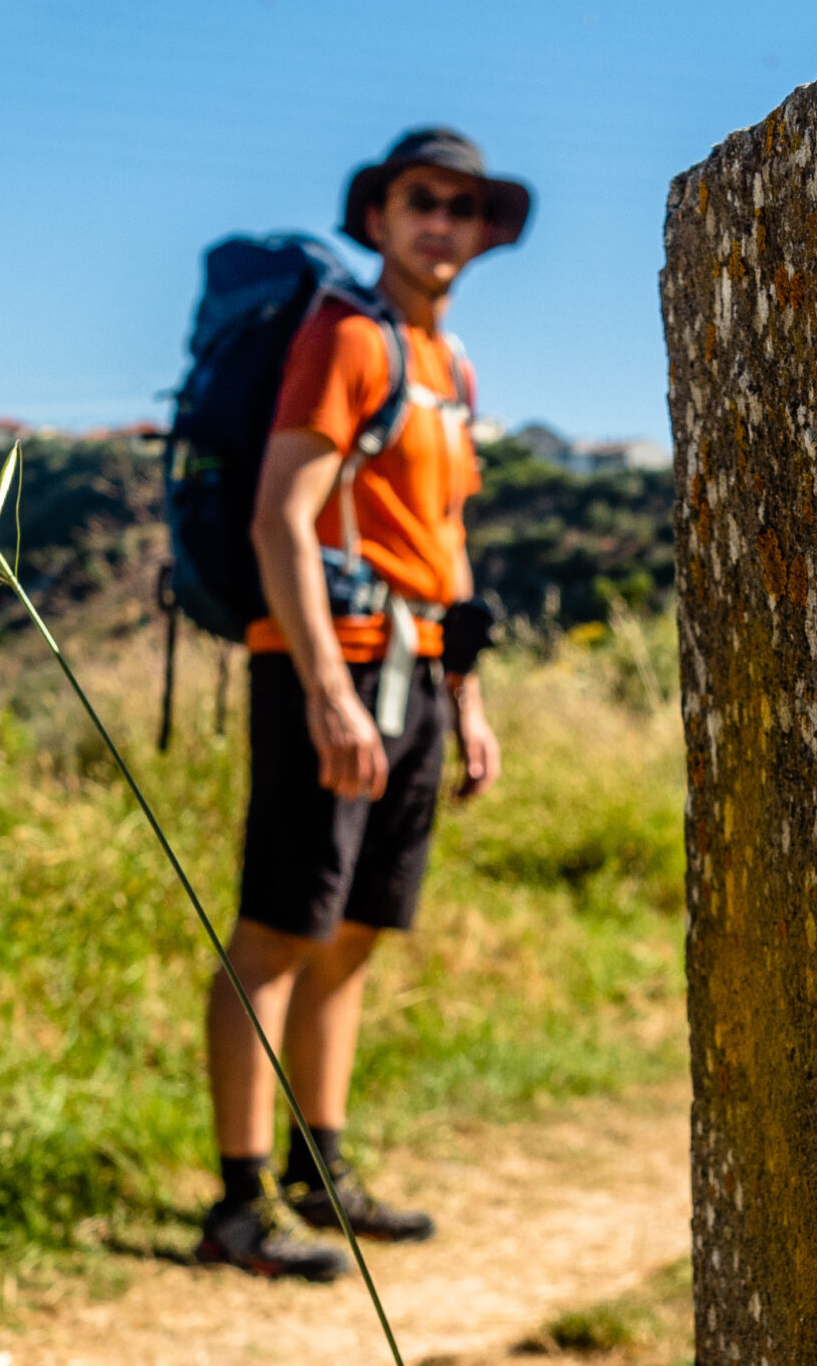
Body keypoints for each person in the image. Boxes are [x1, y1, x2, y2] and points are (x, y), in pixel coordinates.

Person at [196, 128, 527, 1280]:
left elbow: (446, 544)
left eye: (466, 205)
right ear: (378, 216)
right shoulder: (346, 338)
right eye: (420, 199)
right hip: (324, 664)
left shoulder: (451, 365)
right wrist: (327, 692)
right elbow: (281, 516)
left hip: (417, 672)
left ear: (487, 230)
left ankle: (317, 1167)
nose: (444, 220)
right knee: (279, 930)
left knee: (353, 933)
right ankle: (239, 1203)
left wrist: (466, 695)